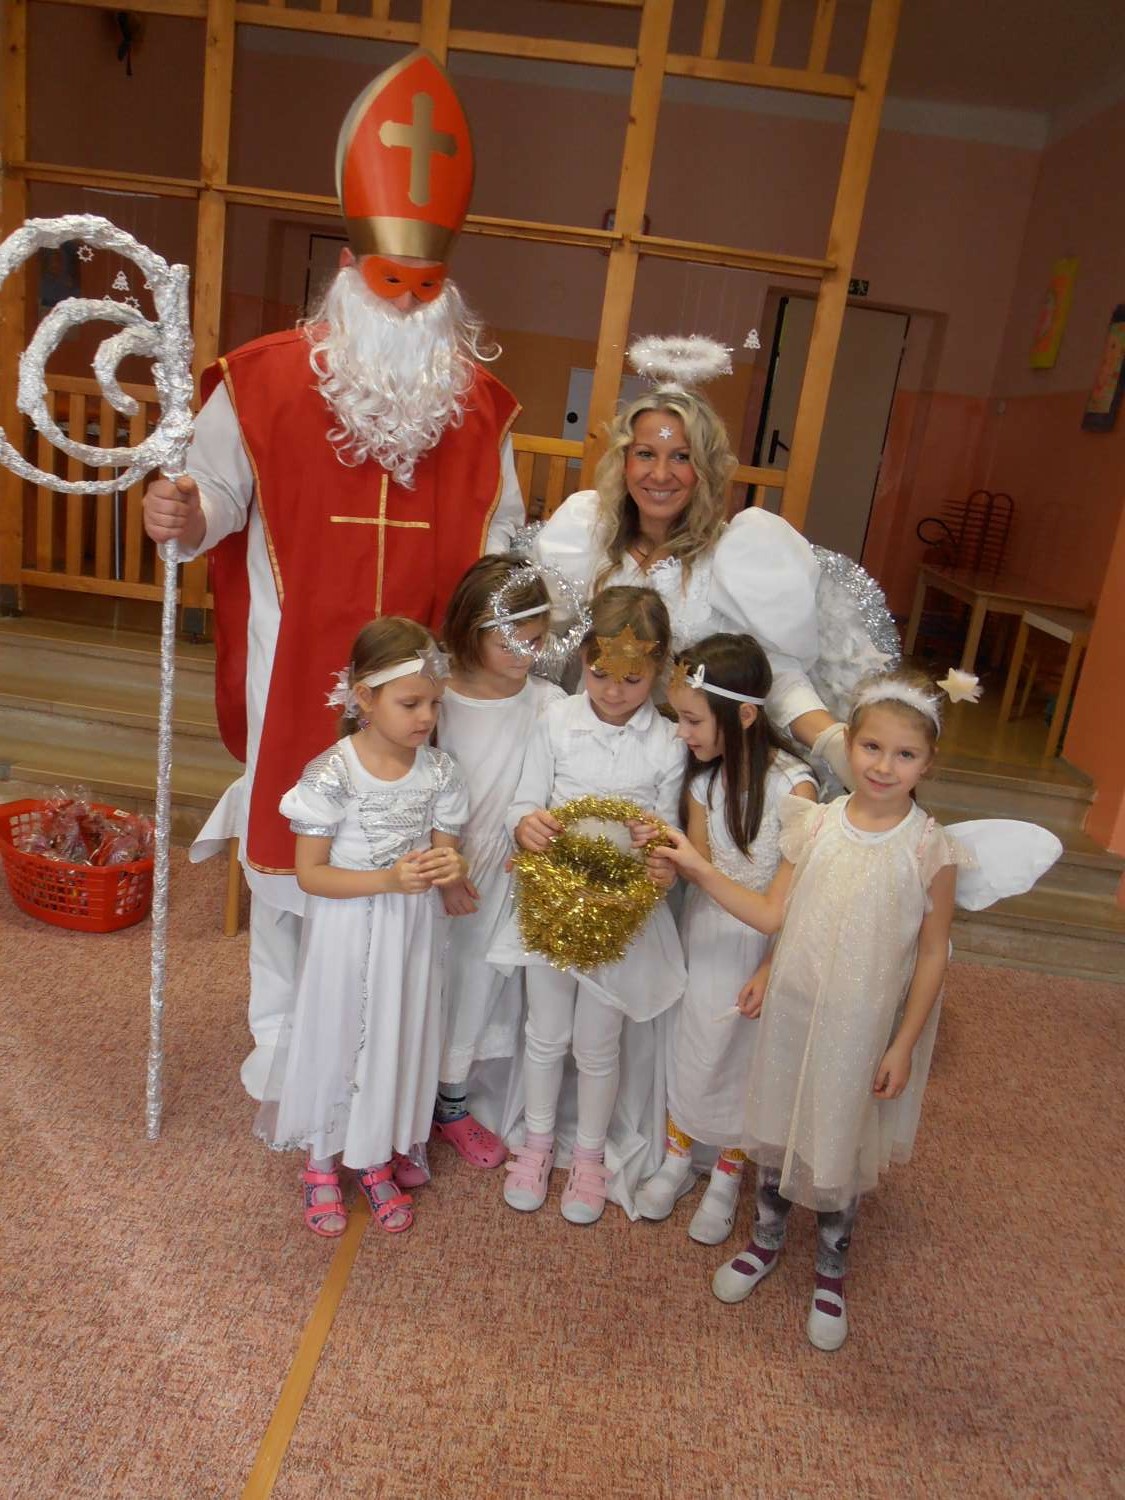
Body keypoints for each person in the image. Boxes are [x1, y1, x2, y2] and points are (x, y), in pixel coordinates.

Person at [141, 51, 524, 1099]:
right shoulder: (263, 381)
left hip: (422, 696)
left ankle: (385, 1053)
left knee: (408, 865)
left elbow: (504, 548)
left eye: (426, 290)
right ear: (352, 272)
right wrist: (179, 514)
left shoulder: (480, 410)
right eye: (391, 285)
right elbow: (212, 501)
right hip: (297, 670)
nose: (407, 307)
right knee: (293, 848)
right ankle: (283, 1041)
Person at [651, 666, 966, 1350]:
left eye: (904, 754)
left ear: (928, 763)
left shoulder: (930, 848)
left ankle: (830, 1271)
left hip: (860, 1024)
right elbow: (782, 916)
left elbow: (932, 953)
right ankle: (764, 1241)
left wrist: (903, 1044)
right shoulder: (814, 822)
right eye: (871, 747)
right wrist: (768, 968)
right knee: (776, 1123)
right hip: (794, 1006)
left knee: (835, 1135)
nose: (883, 766)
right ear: (848, 744)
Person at [533, 386, 887, 773]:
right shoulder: (586, 537)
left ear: (706, 469)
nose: (660, 474)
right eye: (646, 454)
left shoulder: (737, 557)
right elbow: (541, 644)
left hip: (692, 763)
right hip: (585, 751)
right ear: (624, 461)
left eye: (682, 457)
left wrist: (832, 741)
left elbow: (774, 673)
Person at [256, 617, 469, 1237]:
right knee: (340, 1031)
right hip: (346, 931)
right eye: (411, 703)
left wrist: (451, 868)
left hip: (411, 932)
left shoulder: (441, 772)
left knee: (396, 1033)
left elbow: (446, 853)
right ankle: (322, 1160)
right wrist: (387, 880)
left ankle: (375, 1154)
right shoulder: (333, 773)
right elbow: (311, 875)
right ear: (364, 698)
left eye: (434, 703)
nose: (426, 717)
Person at [490, 586, 685, 1226]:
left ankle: (591, 1155)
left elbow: (671, 829)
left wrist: (657, 845)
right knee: (545, 1033)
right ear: (583, 659)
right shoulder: (556, 722)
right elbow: (525, 801)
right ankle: (537, 1142)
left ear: (658, 670)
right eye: (601, 674)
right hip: (551, 906)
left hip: (619, 916)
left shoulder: (668, 743)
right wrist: (526, 824)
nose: (614, 691)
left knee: (599, 1043)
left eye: (633, 679)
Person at [633, 633, 818, 1244]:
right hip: (707, 933)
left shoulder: (795, 790)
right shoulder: (703, 783)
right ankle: (679, 1156)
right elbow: (696, 867)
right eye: (678, 718)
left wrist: (694, 865)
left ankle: (728, 1174)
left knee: (742, 1058)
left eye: (692, 720)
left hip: (762, 949)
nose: (681, 733)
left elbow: (774, 914)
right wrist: (665, 858)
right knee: (693, 1045)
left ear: (743, 715)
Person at [431, 556, 566, 1168]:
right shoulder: (438, 696)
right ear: (471, 630)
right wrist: (440, 861)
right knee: (426, 981)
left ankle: (454, 1101)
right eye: (507, 641)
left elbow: (557, 783)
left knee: (479, 987)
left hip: (502, 872)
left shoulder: (547, 703)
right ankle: (404, 1099)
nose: (523, 655)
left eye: (534, 641)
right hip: (437, 865)